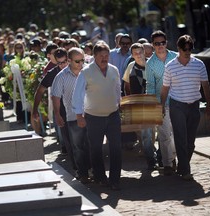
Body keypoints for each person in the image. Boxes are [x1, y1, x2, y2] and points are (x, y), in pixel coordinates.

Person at [161, 34, 210, 180]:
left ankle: (183, 166)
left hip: (194, 105)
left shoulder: (199, 64)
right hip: (177, 105)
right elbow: (165, 89)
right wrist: (162, 106)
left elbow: (206, 86)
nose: (188, 52)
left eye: (190, 49)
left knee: (190, 141)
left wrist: (208, 105)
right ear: (179, 49)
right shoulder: (170, 66)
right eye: (185, 49)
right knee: (180, 138)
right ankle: (186, 171)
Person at [72, 41, 122, 190]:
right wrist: (79, 115)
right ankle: (100, 177)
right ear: (94, 56)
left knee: (116, 148)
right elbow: (78, 94)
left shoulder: (114, 70)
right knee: (95, 148)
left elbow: (117, 88)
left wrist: (119, 104)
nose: (104, 58)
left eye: (106, 55)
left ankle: (115, 180)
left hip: (113, 114)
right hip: (93, 116)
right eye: (101, 55)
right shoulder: (86, 72)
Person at [51, 47, 91, 184]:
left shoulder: (89, 71)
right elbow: (55, 96)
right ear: (69, 61)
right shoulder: (61, 76)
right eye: (77, 61)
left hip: (92, 114)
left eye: (83, 60)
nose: (81, 64)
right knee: (78, 147)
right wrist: (57, 114)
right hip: (73, 116)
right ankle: (83, 173)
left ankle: (96, 172)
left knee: (92, 145)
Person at [32, 48, 73, 165]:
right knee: (68, 140)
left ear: (68, 60)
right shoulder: (53, 74)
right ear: (55, 62)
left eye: (65, 62)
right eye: (59, 63)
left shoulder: (76, 69)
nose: (63, 65)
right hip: (62, 111)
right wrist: (34, 110)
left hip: (78, 109)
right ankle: (77, 167)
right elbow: (39, 91)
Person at [145, 30, 177, 175]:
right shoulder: (150, 63)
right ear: (152, 45)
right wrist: (153, 105)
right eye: (157, 44)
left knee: (177, 134)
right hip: (161, 103)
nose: (160, 46)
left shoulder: (175, 57)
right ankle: (167, 164)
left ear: (166, 43)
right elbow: (150, 85)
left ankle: (175, 157)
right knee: (164, 135)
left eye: (162, 43)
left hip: (178, 101)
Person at [122, 43, 157, 170]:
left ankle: (159, 157)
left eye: (140, 52)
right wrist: (129, 99)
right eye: (135, 53)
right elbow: (126, 84)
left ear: (144, 52)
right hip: (139, 104)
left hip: (154, 103)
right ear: (132, 55)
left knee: (154, 133)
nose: (138, 55)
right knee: (145, 134)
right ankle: (151, 160)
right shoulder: (131, 66)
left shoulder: (152, 65)